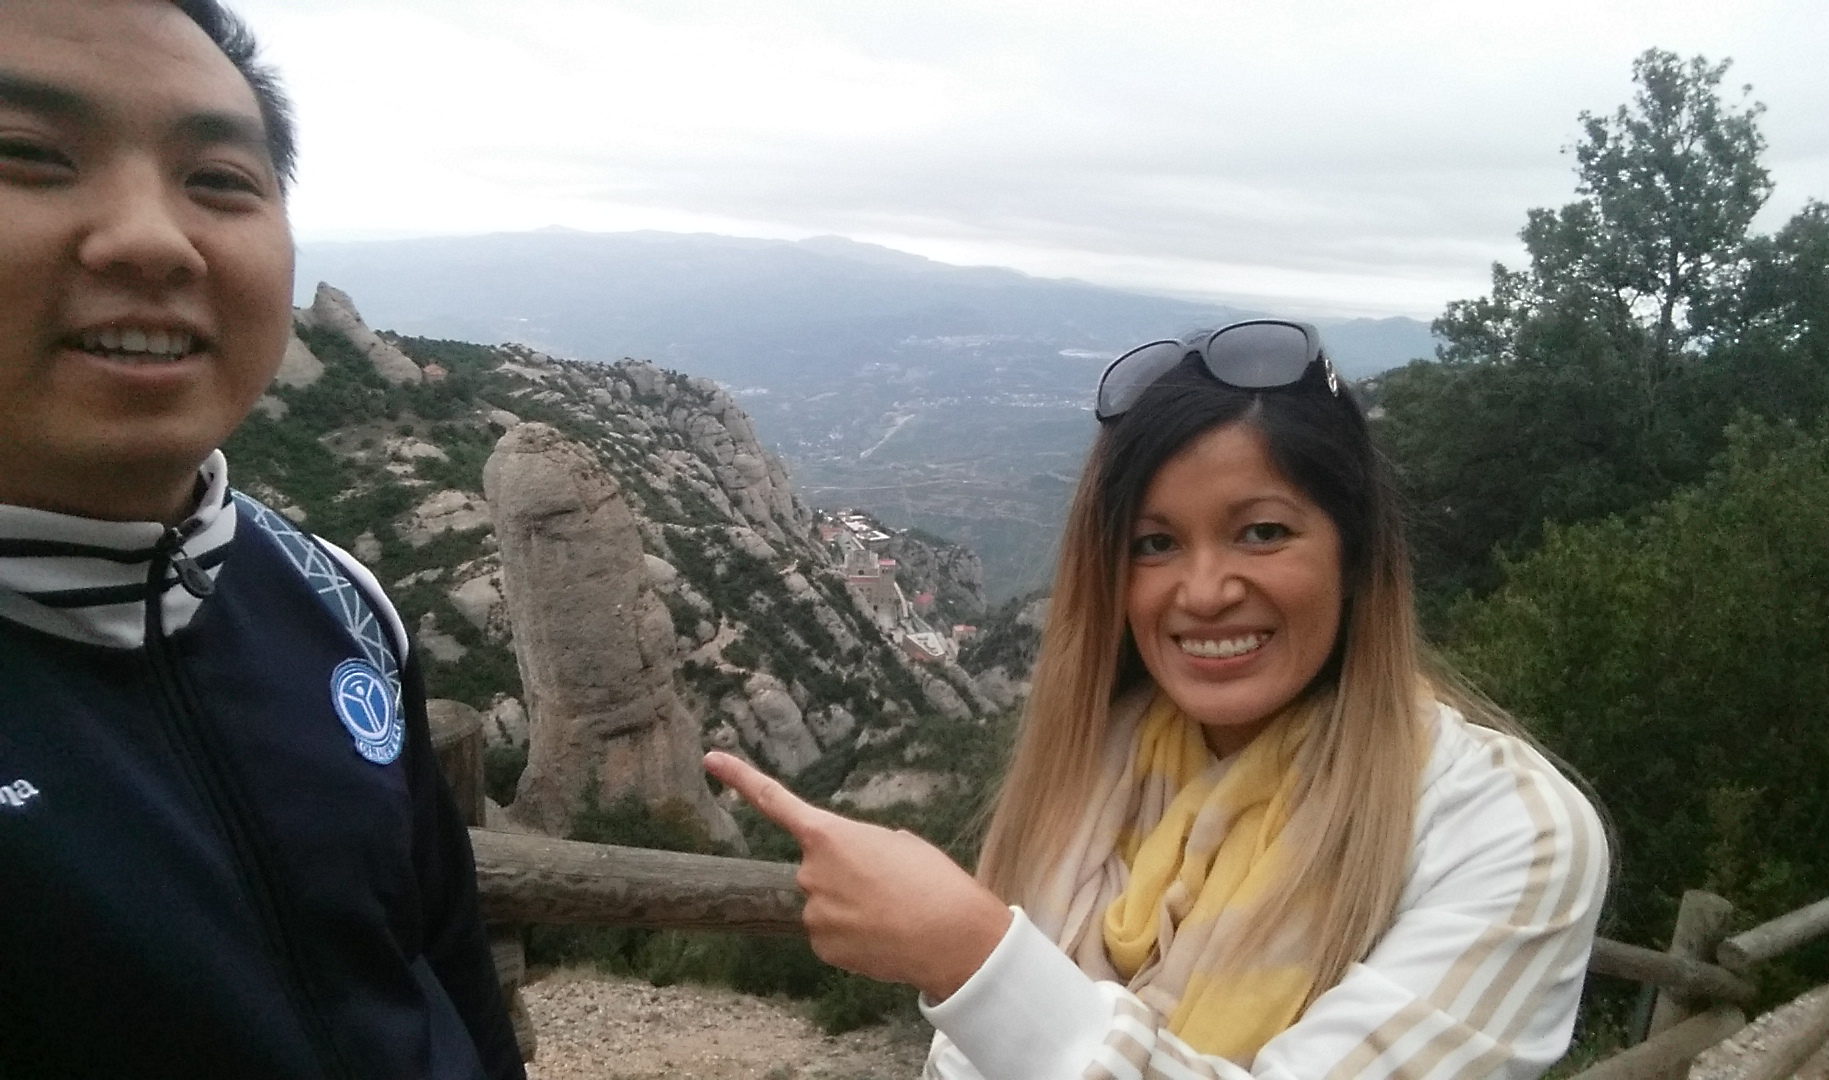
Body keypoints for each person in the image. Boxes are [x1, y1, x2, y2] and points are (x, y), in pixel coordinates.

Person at [707, 318, 1609, 1079]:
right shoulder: (1093, 768)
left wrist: (975, 958)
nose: (1204, 590)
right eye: (1155, 544)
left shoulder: (1507, 831)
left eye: (1262, 532)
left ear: (1359, 555)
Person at [0, 1, 524, 1076]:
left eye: (221, 180)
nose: (152, 236)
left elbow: (449, 970)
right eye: (26, 155)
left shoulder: (337, 602)